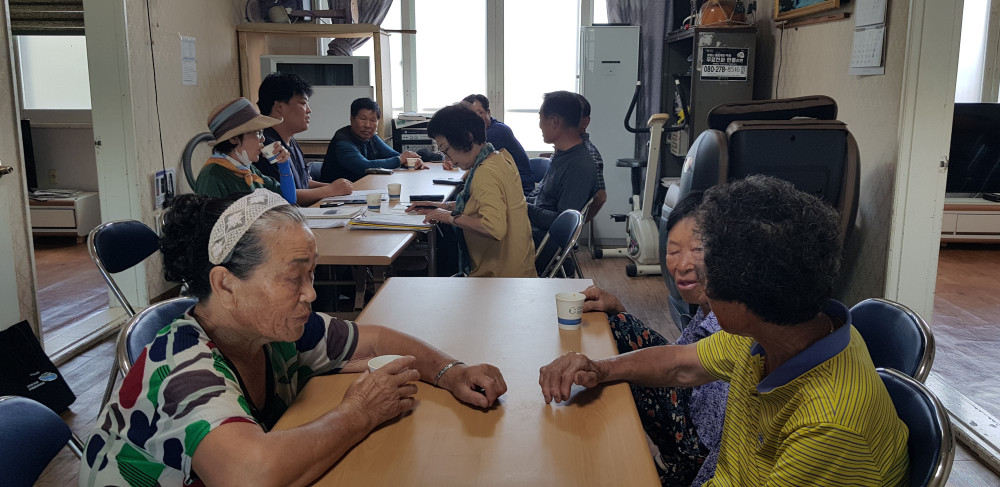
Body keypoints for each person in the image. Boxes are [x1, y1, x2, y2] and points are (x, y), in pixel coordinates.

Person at [80, 189, 508, 486]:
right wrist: (359, 412)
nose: (311, 293)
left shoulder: (276, 329)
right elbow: (251, 475)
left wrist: (451, 371)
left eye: (312, 274)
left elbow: (376, 340)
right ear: (225, 284)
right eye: (293, 278)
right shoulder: (182, 368)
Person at [539, 175, 910, 486]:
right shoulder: (779, 331)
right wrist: (600, 368)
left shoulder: (828, 428)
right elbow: (679, 363)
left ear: (746, 301)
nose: (700, 281)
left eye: (707, 272)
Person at [581, 191, 726, 486]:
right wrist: (621, 312)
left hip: (704, 447)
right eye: (673, 251)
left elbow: (678, 366)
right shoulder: (706, 310)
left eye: (697, 250)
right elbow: (677, 354)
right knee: (619, 326)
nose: (682, 265)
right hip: (692, 412)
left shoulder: (734, 324)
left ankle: (673, 467)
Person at [406, 104, 536, 277]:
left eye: (446, 150)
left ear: (467, 137)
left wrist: (449, 217)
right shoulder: (499, 157)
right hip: (520, 267)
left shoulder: (485, 173)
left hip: (501, 278)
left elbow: (493, 228)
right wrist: (442, 206)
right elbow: (480, 202)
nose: (447, 158)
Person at [252, 72, 353, 206]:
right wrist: (331, 190)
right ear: (279, 107)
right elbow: (283, 195)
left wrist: (336, 187)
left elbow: (303, 182)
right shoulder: (267, 146)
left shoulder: (290, 140)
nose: (309, 110)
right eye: (303, 103)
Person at [529, 90, 598, 274]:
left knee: (479, 235)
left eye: (540, 118)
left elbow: (560, 221)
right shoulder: (561, 156)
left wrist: (520, 208)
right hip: (536, 231)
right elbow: (541, 198)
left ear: (554, 121)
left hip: (544, 242)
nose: (539, 125)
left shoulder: (578, 166)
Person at [193, 97, 291, 199]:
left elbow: (289, 198)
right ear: (233, 139)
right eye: (257, 133)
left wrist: (284, 165)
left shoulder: (249, 169)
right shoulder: (211, 176)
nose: (263, 139)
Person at [320, 97, 425, 183]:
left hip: (361, 188)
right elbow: (365, 167)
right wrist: (400, 159)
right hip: (335, 196)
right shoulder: (343, 141)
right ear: (352, 118)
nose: (367, 125)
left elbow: (394, 155)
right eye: (363, 119)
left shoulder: (372, 137)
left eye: (373, 120)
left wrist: (412, 160)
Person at [460, 94, 534, 196]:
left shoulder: (497, 131)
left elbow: (469, 159)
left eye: (480, 113)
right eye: (470, 116)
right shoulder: (478, 133)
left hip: (519, 192)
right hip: (504, 187)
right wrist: (447, 159)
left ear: (488, 112)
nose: (475, 119)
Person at [575, 93, 607, 220]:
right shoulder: (562, 151)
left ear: (585, 122)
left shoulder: (589, 155)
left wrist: (578, 224)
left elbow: (600, 197)